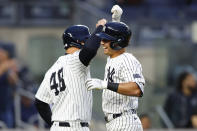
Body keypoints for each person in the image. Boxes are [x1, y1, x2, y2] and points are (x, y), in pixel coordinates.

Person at [34, 19, 106, 131]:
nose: (88, 42)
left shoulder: (52, 69)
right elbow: (90, 49)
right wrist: (100, 27)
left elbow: (40, 102)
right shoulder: (75, 59)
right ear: (80, 42)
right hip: (75, 127)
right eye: (86, 40)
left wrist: (54, 123)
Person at [85, 21, 145, 131]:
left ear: (117, 42)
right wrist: (116, 19)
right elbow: (122, 34)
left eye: (106, 40)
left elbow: (137, 89)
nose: (102, 43)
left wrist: (105, 84)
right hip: (115, 122)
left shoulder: (128, 60)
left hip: (125, 121)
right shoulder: (112, 57)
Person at [0, 43, 18, 128]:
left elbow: (15, 82)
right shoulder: (4, 66)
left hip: (5, 107)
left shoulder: (9, 67)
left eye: (2, 52)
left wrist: (12, 70)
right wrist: (4, 66)